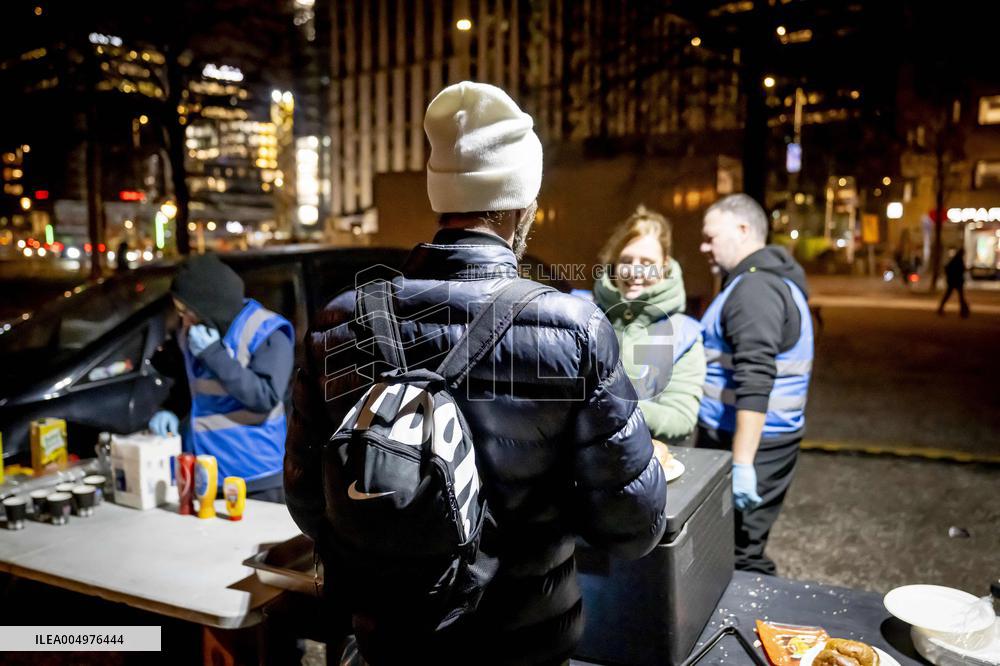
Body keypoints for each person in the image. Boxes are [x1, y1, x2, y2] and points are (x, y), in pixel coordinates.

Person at [285, 81, 667, 665]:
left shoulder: (338, 322)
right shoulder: (573, 329)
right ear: (521, 208)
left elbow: (310, 501)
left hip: (393, 640)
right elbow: (633, 526)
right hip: (524, 641)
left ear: (443, 201)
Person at [696, 193, 813, 575]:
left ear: (743, 230)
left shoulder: (754, 289)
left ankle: (750, 626)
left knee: (740, 558)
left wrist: (743, 463)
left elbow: (755, 376)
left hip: (750, 447)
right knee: (731, 550)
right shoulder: (763, 282)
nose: (704, 247)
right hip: (759, 441)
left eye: (710, 237)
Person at [148, 253, 294, 503]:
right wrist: (170, 410)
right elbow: (194, 386)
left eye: (188, 311)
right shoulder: (193, 332)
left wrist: (214, 354)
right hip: (208, 473)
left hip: (256, 475)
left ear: (208, 306)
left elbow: (265, 396)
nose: (184, 319)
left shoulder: (266, 332)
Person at [593, 205, 706, 446]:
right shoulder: (587, 315)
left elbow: (680, 419)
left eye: (646, 262)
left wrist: (614, 405)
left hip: (649, 468)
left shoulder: (683, 334)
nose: (635, 272)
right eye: (626, 260)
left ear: (664, 265)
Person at [937, 248, 970, 318]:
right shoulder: (958, 260)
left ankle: (963, 310)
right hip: (956, 281)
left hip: (953, 281)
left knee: (952, 295)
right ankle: (963, 311)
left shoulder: (955, 259)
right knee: (959, 296)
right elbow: (960, 270)